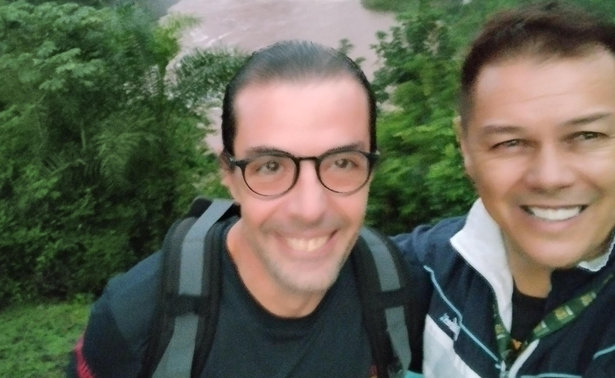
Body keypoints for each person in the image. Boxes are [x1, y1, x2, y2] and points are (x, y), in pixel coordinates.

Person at [67, 40, 417, 378]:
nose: (309, 209)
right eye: (270, 166)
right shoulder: (134, 322)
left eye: (342, 162)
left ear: (370, 172)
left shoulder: (395, 291)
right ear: (229, 176)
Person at [393, 2, 615, 377]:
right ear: (466, 146)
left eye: (587, 135)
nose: (550, 177)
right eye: (510, 143)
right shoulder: (415, 272)